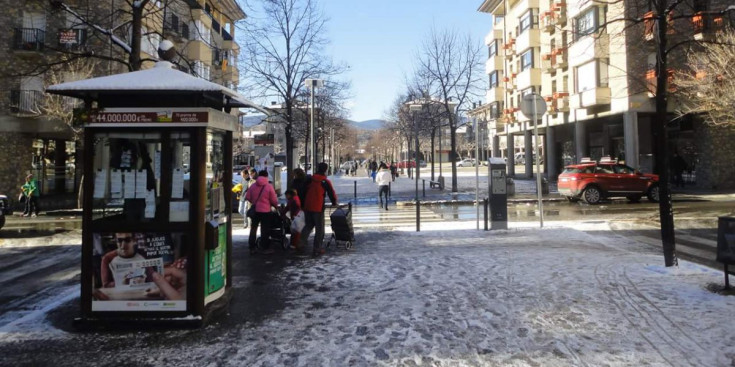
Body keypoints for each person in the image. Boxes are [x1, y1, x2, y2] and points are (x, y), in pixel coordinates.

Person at [300, 162, 338, 257]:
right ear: (325, 170)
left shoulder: (310, 179)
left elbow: (303, 191)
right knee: (320, 228)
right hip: (318, 207)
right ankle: (317, 247)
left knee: (308, 225)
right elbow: (331, 193)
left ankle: (300, 242)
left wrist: (303, 203)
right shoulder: (324, 181)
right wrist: (334, 203)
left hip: (307, 206)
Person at [245, 170, 279, 255]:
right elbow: (274, 200)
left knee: (253, 229)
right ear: (266, 176)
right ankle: (264, 247)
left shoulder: (253, 186)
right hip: (265, 211)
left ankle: (252, 247)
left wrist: (254, 202)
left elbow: (247, 197)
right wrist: (274, 205)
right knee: (265, 230)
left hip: (255, 210)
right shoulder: (269, 186)